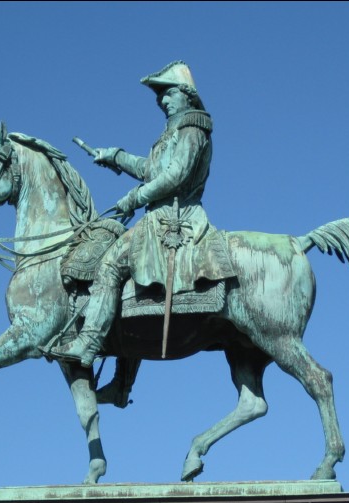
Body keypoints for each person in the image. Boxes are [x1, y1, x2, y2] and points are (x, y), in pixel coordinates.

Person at [44, 60, 234, 366]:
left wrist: (135, 197)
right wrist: (114, 157)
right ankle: (121, 382)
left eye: (167, 93)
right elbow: (151, 169)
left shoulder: (193, 128)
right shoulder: (172, 131)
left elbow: (176, 176)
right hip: (161, 214)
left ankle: (88, 343)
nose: (162, 100)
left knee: (108, 265)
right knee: (132, 293)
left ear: (186, 94)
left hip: (175, 216)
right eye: (159, 96)